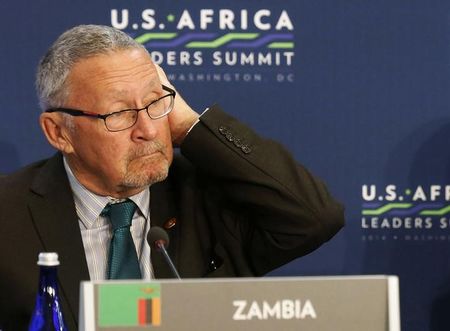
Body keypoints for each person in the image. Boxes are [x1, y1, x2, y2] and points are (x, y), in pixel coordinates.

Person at [0, 25, 344, 329]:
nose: (148, 130)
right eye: (120, 113)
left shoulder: (208, 199)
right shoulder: (9, 215)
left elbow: (315, 218)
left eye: (156, 102)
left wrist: (188, 126)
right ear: (59, 132)